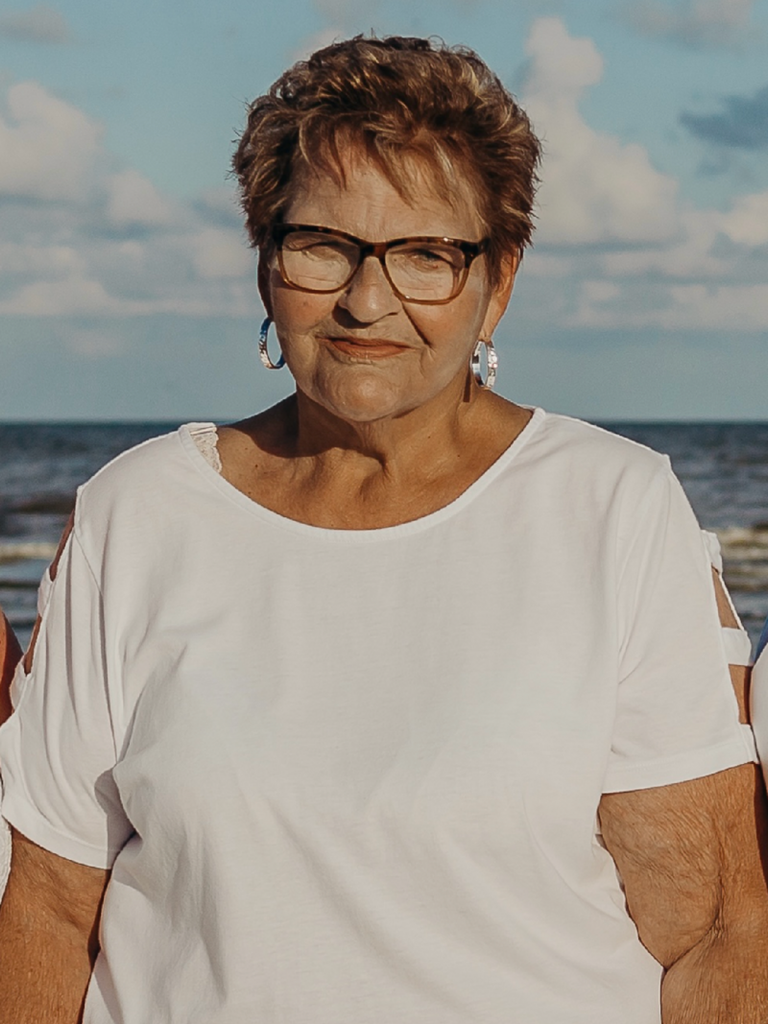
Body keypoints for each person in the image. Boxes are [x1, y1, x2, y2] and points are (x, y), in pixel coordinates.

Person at [0, 34, 767, 1024]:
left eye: (424, 255)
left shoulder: (612, 509)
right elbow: (49, 911)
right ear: (265, 261)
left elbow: (714, 930)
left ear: (498, 281)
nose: (367, 301)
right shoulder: (136, 514)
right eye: (323, 245)